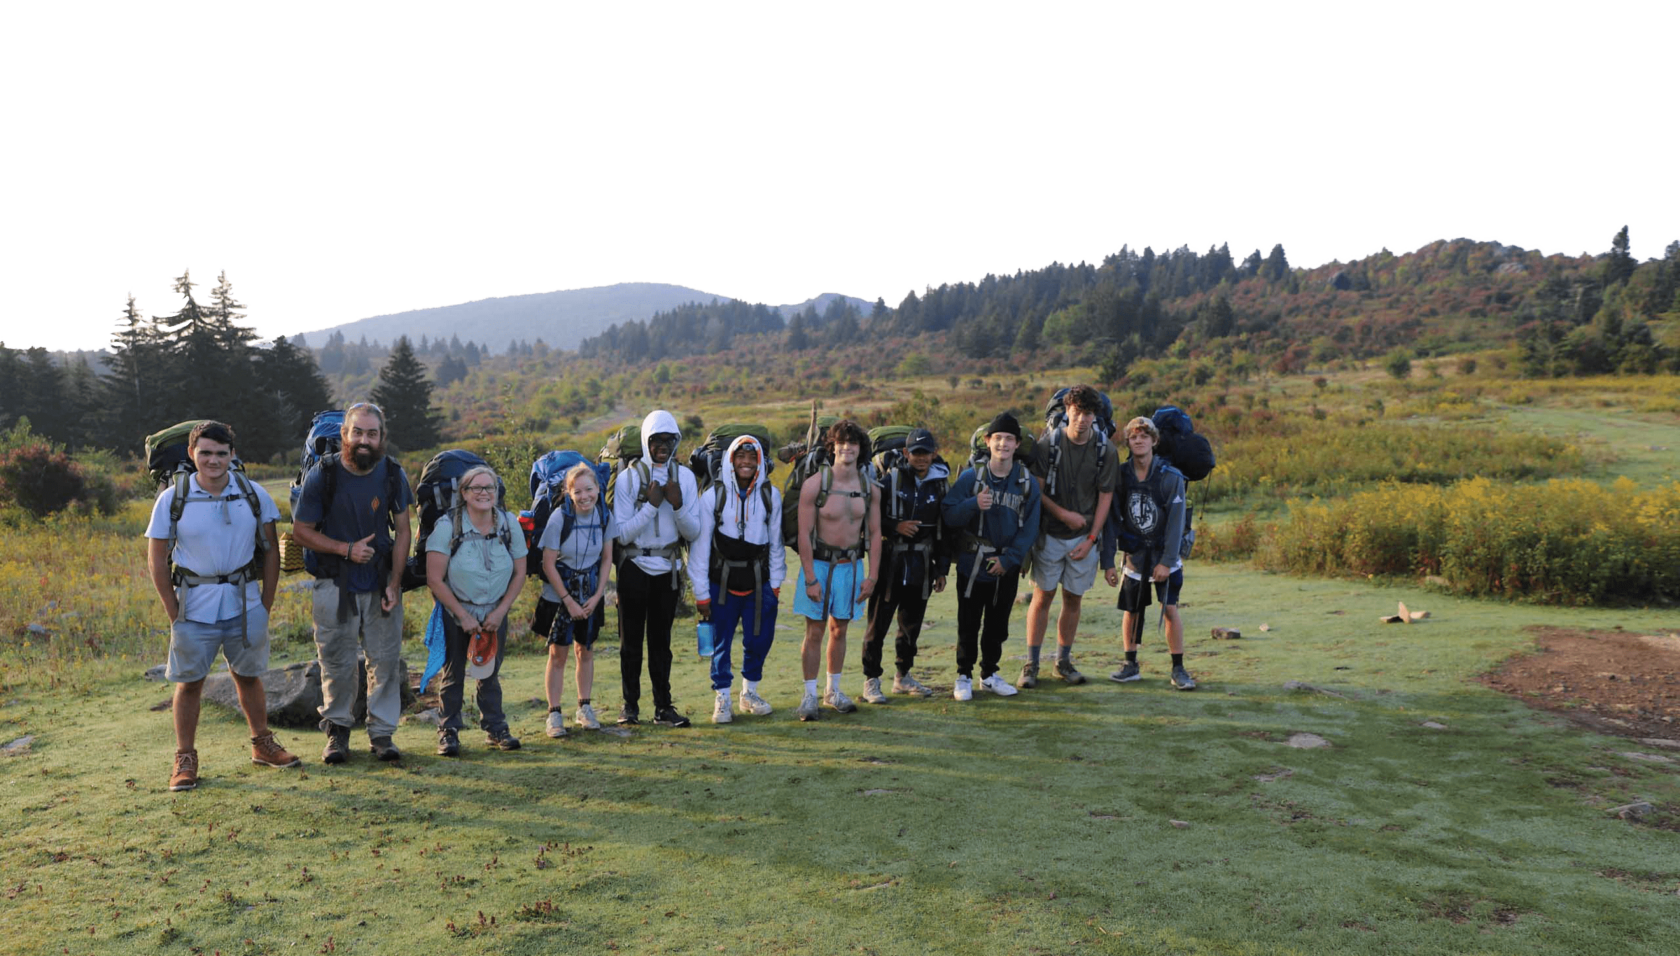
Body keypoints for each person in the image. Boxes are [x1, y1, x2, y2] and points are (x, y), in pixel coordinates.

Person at [145, 421, 297, 791]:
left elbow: (272, 553)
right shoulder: (172, 499)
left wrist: (266, 602)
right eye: (206, 453)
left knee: (248, 675)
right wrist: (172, 610)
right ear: (191, 453)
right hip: (193, 606)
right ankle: (184, 758)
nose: (213, 460)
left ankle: (262, 745)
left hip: (244, 603)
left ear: (232, 454)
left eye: (221, 453)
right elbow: (156, 560)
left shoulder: (252, 493)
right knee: (190, 682)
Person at [291, 402, 415, 763]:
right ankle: (337, 733)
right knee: (336, 661)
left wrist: (395, 582)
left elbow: (404, 530)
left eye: (371, 433)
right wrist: (344, 549)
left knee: (386, 660)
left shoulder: (392, 473)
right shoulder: (323, 474)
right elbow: (301, 531)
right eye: (357, 432)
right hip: (335, 584)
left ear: (382, 437)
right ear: (345, 434)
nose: (364, 439)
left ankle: (382, 735)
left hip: (380, 584)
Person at [425, 465, 528, 754]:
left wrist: (500, 612)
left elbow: (520, 572)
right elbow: (434, 578)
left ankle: (496, 729)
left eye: (490, 488)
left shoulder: (508, 524)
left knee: (490, 671)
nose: (484, 493)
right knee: (454, 672)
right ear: (464, 493)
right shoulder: (448, 526)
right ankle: (448, 731)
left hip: (496, 611)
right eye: (477, 488)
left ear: (497, 492)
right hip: (456, 610)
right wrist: (462, 615)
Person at [1021, 385, 1118, 688]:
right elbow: (1036, 491)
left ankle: (1062, 661)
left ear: (1095, 415)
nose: (1081, 419)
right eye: (1076, 412)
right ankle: (1031, 663)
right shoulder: (1048, 445)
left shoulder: (1106, 451)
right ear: (1067, 411)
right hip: (1049, 534)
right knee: (1042, 596)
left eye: (1088, 413)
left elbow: (1106, 498)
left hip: (1083, 538)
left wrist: (1091, 539)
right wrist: (1063, 514)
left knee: (1073, 599)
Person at [942, 413, 1041, 701]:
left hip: (1006, 564)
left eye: (1009, 439)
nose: (1003, 444)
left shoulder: (1026, 482)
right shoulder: (972, 477)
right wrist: (974, 504)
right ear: (988, 441)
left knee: (998, 623)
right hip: (973, 562)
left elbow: (1031, 526)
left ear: (1017, 443)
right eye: (997, 438)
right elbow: (949, 515)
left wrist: (1010, 560)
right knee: (968, 621)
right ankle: (963, 675)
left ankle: (989, 675)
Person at [613, 409, 701, 727]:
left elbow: (693, 532)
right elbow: (621, 534)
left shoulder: (686, 478)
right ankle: (629, 707)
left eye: (668, 439)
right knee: (630, 641)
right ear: (646, 441)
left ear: (676, 441)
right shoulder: (628, 478)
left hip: (667, 569)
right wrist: (651, 506)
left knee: (661, 643)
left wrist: (676, 506)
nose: (662, 446)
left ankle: (664, 707)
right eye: (656, 440)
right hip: (634, 566)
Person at [689, 436, 785, 723]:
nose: (745, 463)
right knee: (721, 642)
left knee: (759, 639)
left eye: (751, 458)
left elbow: (777, 543)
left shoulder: (771, 495)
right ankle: (722, 698)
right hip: (721, 582)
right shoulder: (713, 497)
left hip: (760, 581)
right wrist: (701, 592)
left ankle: (749, 693)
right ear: (730, 460)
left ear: (760, 462)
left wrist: (776, 585)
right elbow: (700, 548)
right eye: (740, 457)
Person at [793, 419, 882, 719]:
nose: (847, 448)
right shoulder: (815, 484)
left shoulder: (870, 488)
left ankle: (833, 691)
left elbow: (874, 535)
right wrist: (809, 578)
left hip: (851, 567)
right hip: (819, 565)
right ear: (832, 446)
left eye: (853, 443)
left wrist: (872, 576)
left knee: (839, 629)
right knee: (815, 631)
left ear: (860, 448)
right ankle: (809, 696)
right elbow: (803, 534)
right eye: (841, 442)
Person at [1102, 416, 1196, 690]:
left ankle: (1178, 668)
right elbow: (1112, 517)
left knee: (1169, 608)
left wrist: (1167, 561)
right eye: (1133, 437)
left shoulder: (1170, 477)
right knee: (1131, 610)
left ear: (1154, 441)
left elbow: (1177, 523)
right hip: (1134, 556)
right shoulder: (1121, 475)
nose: (1139, 440)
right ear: (1128, 443)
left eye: (1144, 436)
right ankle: (1130, 664)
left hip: (1164, 555)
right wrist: (1108, 560)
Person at [859, 428, 948, 702]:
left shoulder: (941, 484)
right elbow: (868, 520)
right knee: (878, 623)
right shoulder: (890, 481)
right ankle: (871, 680)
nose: (921, 458)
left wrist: (942, 569)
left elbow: (944, 531)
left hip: (922, 564)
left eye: (926, 452)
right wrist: (895, 526)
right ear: (907, 453)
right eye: (916, 452)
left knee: (911, 625)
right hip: (889, 561)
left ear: (934, 453)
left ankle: (903, 677)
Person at [534, 464, 614, 737]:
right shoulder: (559, 518)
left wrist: (597, 594)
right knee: (558, 654)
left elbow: (606, 559)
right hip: (560, 594)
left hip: (591, 591)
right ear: (568, 493)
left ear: (598, 489)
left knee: (586, 650)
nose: (584, 496)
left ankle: (584, 707)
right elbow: (547, 564)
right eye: (577, 491)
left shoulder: (604, 514)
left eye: (589, 489)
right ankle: (554, 715)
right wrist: (567, 600)